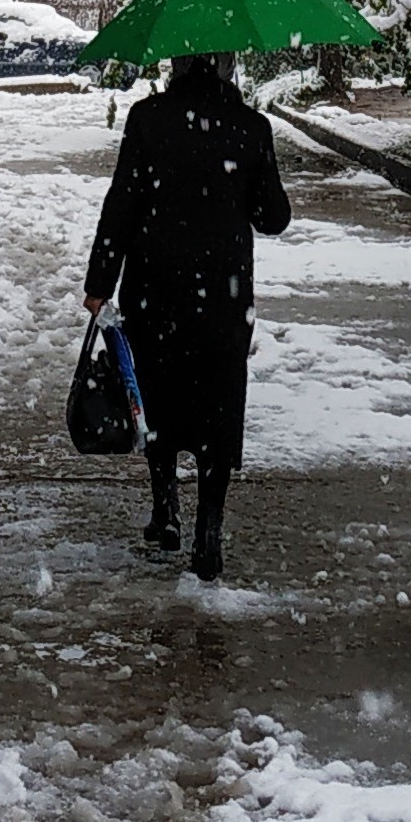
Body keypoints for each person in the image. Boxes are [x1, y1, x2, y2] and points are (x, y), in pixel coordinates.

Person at [82, 52, 291, 580]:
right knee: (218, 411)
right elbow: (274, 217)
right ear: (227, 67)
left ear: (176, 64)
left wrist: (99, 283)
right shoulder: (251, 127)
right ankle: (209, 530)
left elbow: (121, 205)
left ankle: (165, 511)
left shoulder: (148, 120)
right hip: (223, 298)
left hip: (156, 292)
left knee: (160, 399)